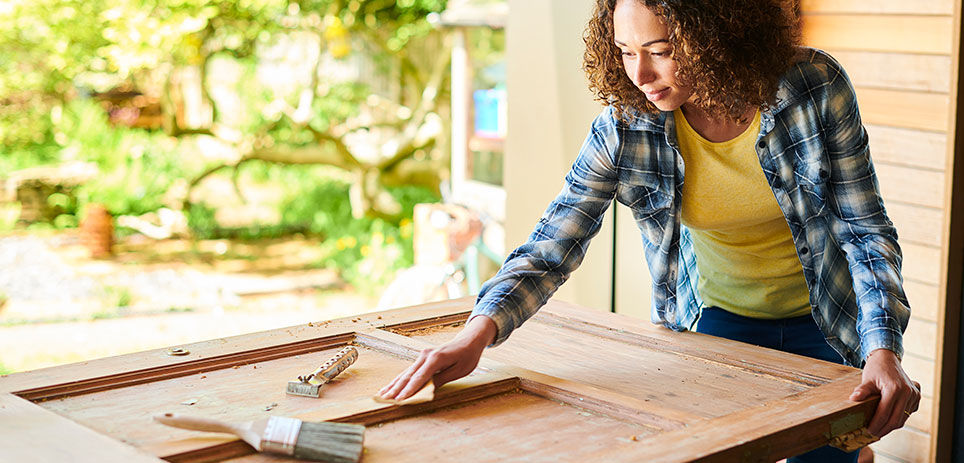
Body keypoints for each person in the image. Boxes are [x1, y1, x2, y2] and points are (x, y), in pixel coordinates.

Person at [378, 1, 921, 461]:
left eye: (660, 50)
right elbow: (552, 244)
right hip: (716, 323)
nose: (639, 74)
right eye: (623, 51)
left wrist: (883, 351)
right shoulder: (624, 125)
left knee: (831, 454)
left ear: (717, 31)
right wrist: (476, 335)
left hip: (827, 323)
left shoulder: (813, 88)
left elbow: (864, 229)